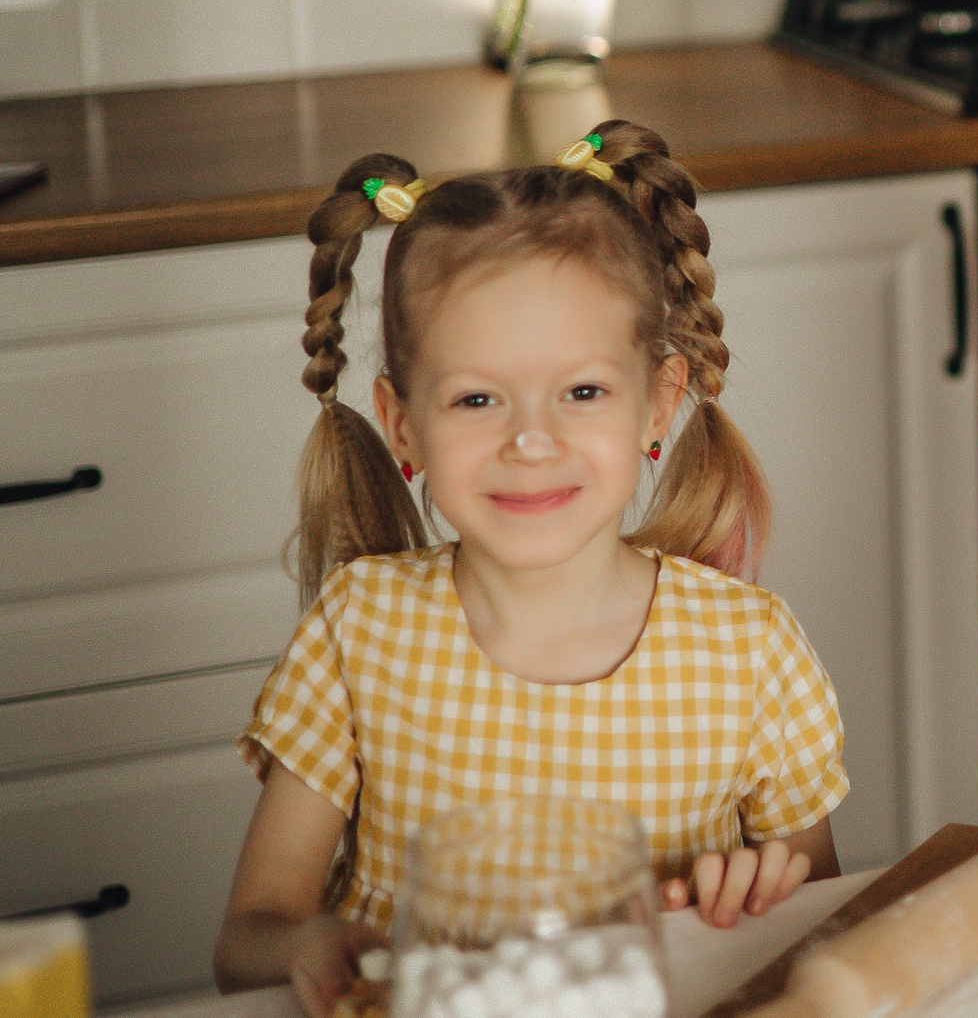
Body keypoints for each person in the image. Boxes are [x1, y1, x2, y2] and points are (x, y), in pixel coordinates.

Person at [214, 121, 847, 1017]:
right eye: (477, 398)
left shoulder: (752, 653)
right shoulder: (360, 634)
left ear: (657, 402)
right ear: (403, 426)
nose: (532, 439)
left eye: (581, 390)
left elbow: (824, 925)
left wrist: (756, 891)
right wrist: (300, 942)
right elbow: (247, 934)